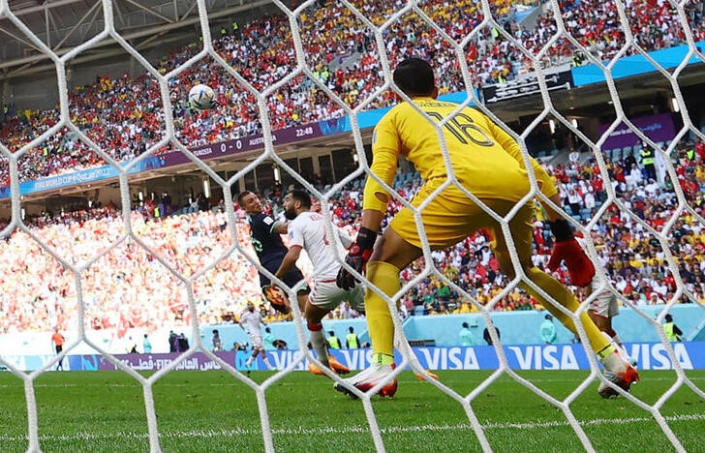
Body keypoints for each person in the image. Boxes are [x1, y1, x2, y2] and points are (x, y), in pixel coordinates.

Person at [335, 58, 637, 399]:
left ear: (396, 94)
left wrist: (363, 240)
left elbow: (382, 174)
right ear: (437, 90)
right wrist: (562, 231)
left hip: (457, 186)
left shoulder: (395, 116)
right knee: (521, 271)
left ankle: (382, 365)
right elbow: (531, 164)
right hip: (516, 187)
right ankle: (612, 358)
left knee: (382, 260)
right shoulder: (469, 113)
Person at [272, 189, 364, 369]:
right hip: (350, 277)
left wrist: (276, 277)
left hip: (329, 281)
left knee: (312, 318)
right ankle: (396, 359)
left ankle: (323, 364)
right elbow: (352, 246)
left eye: (287, 200)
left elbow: (293, 255)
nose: (284, 204)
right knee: (374, 315)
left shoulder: (296, 223)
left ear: (298, 204)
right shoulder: (324, 219)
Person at [237, 191, 309, 314]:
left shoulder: (252, 223)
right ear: (244, 208)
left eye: (256, 198)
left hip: (265, 272)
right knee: (308, 309)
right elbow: (283, 228)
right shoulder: (262, 218)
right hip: (282, 264)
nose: (257, 202)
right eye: (251, 201)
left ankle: (279, 298)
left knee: (286, 310)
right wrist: (304, 218)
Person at [239, 301, 274, 372]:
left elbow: (261, 320)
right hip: (253, 334)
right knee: (262, 350)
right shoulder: (246, 315)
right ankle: (269, 367)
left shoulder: (257, 313)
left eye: (251, 305)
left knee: (257, 350)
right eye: (249, 306)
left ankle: (248, 362)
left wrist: (265, 323)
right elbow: (240, 323)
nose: (250, 307)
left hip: (259, 333)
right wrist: (245, 330)